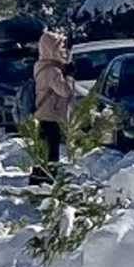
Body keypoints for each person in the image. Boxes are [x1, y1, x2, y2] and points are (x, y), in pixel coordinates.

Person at [31, 30, 81, 182]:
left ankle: (38, 179)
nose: (63, 51)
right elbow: (65, 91)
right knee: (51, 152)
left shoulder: (42, 66)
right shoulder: (52, 71)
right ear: (51, 49)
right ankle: (46, 182)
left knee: (43, 151)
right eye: (59, 47)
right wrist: (70, 76)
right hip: (51, 115)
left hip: (44, 114)